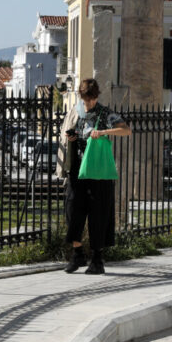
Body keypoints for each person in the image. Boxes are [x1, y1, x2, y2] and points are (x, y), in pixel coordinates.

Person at [56, 78, 131, 275]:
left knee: (99, 213)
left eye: (91, 99)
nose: (88, 103)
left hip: (99, 172)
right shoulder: (76, 112)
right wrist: (71, 136)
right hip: (78, 170)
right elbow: (68, 133)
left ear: (96, 97)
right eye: (85, 100)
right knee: (73, 209)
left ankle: (97, 258)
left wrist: (103, 132)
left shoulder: (105, 113)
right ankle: (78, 252)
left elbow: (126, 130)